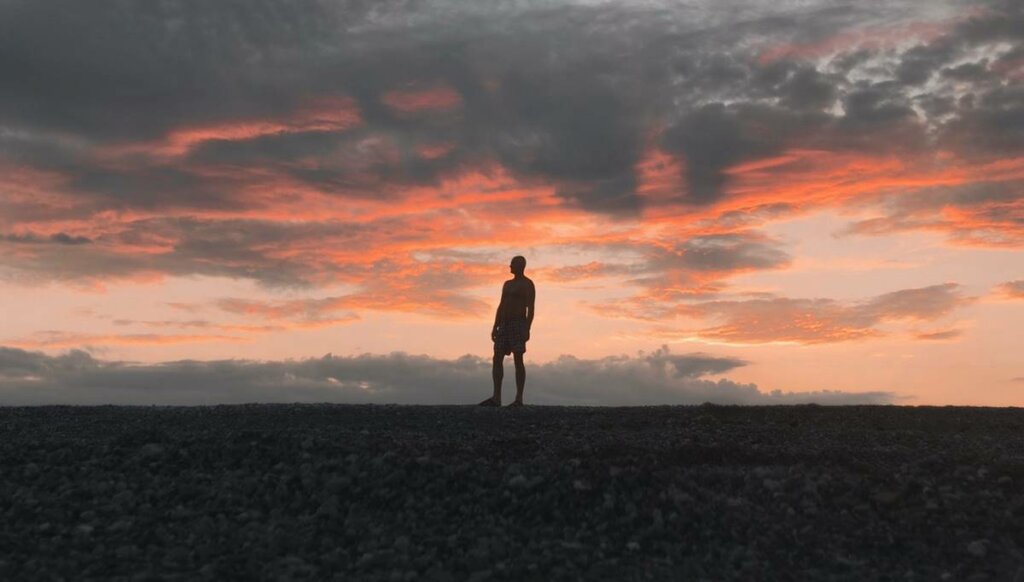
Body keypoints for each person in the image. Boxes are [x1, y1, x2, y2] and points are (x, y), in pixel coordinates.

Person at [479, 255, 535, 407]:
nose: (510, 266)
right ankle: (496, 397)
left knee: (518, 359)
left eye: (513, 264)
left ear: (520, 266)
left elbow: (531, 309)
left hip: (518, 324)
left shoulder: (527, 284)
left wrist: (527, 328)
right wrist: (495, 325)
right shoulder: (507, 284)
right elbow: (501, 304)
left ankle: (519, 398)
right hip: (504, 324)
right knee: (497, 357)